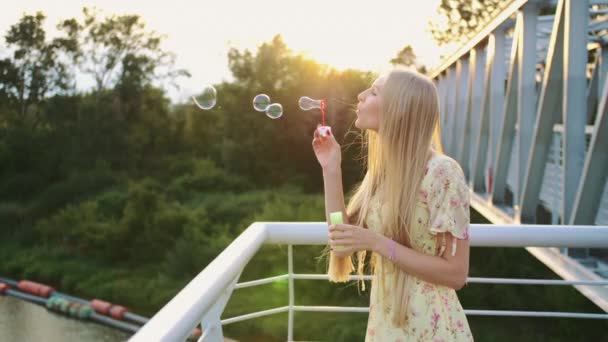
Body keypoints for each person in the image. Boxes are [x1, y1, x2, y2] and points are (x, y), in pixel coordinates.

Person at [312, 69, 473, 341]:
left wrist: (377, 243)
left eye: (374, 92)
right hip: (386, 325)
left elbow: (456, 274)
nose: (360, 96)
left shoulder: (443, 172)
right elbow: (341, 236)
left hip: (430, 329)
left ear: (400, 109)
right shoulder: (385, 174)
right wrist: (331, 169)